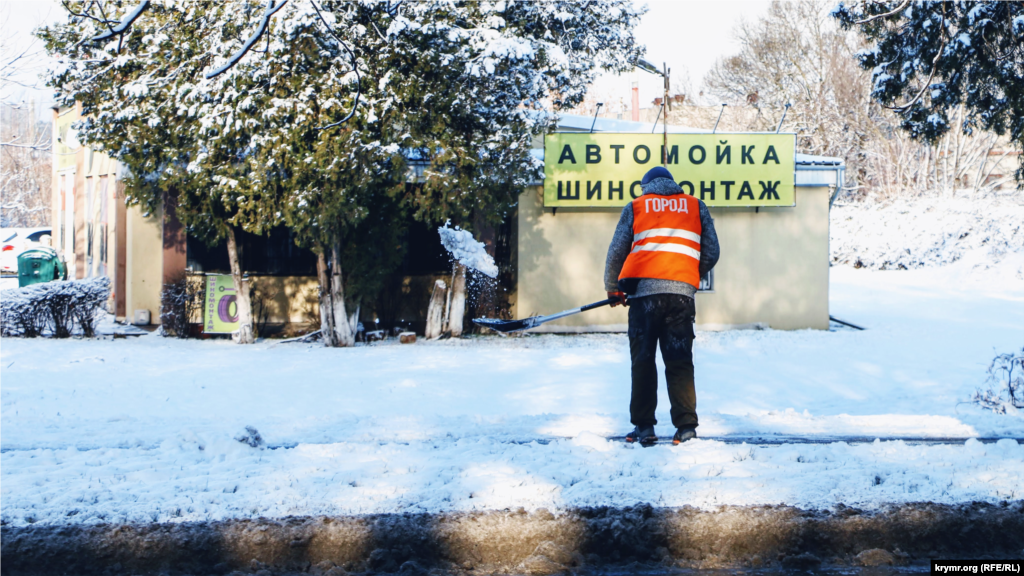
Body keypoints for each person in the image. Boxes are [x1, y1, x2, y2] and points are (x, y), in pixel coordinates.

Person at [604, 166, 720, 445]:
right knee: (680, 361)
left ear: (646, 186)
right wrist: (687, 275)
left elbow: (617, 250)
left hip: (644, 299)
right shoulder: (695, 205)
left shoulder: (636, 206)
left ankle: (644, 427)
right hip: (681, 297)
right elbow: (712, 251)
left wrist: (613, 288)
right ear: (673, 184)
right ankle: (686, 427)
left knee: (643, 360)